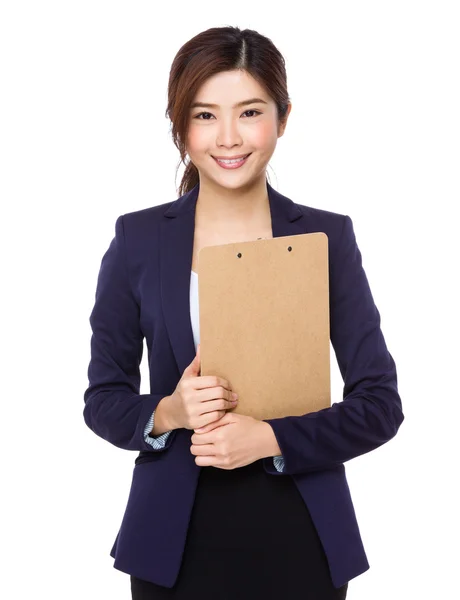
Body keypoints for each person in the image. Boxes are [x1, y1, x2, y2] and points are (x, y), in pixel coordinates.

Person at [83, 25, 404, 600]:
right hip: (171, 545)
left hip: (302, 535)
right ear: (180, 124)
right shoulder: (137, 239)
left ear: (282, 117)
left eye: (249, 111)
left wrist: (271, 439)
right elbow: (103, 399)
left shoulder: (327, 237)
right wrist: (168, 412)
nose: (228, 137)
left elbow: (380, 405)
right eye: (205, 115)